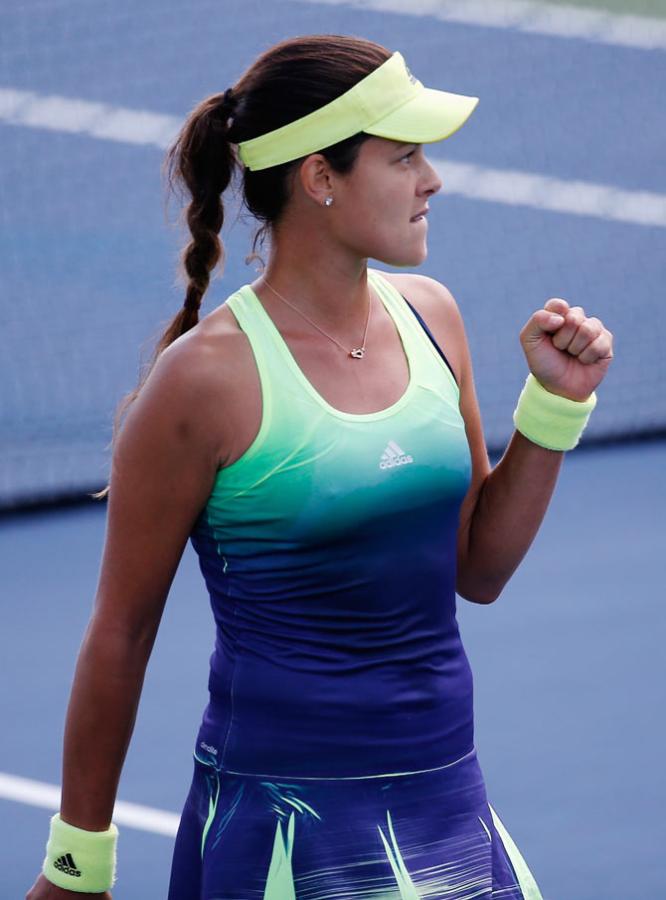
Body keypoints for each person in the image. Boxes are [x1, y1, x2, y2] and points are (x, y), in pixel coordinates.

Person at [27, 33, 613, 900]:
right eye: (405, 157)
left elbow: (477, 569)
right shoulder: (203, 381)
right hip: (283, 834)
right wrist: (77, 869)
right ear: (320, 177)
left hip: (451, 805)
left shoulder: (434, 317)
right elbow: (122, 632)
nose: (433, 181)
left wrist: (555, 405)